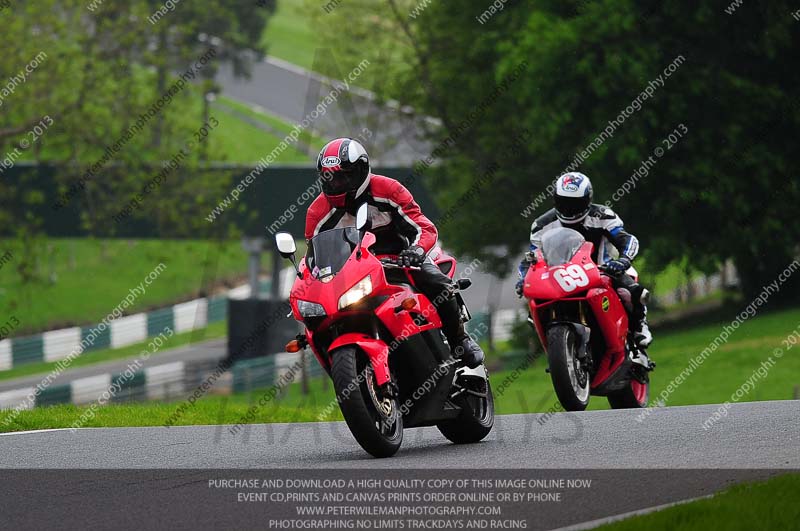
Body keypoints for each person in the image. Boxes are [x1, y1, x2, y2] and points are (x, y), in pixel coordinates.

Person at [305, 137, 485, 368]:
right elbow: (312, 257)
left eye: (345, 176)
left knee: (436, 282)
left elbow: (424, 226)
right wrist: (313, 281)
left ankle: (460, 340)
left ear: (361, 170)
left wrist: (417, 251)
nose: (337, 184)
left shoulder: (388, 189)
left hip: (400, 257)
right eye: (331, 178)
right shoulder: (317, 212)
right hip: (353, 272)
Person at [516, 172, 653, 348]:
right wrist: (523, 279)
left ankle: (639, 326)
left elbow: (627, 240)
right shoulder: (541, 225)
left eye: (574, 204)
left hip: (601, 271)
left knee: (630, 291)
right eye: (564, 202)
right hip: (558, 278)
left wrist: (624, 260)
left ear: (587, 200)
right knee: (534, 306)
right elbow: (531, 258)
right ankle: (559, 347)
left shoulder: (603, 215)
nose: (569, 209)